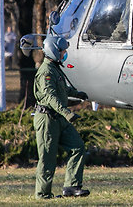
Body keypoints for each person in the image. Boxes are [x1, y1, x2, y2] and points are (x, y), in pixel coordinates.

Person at [33, 36, 89, 199]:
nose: (64, 53)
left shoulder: (55, 68)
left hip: (59, 118)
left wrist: (77, 94)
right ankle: (43, 194)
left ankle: (72, 187)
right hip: (48, 119)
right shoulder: (46, 72)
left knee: (77, 147)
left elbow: (62, 89)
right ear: (53, 51)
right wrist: (67, 112)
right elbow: (50, 97)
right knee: (47, 158)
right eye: (62, 51)